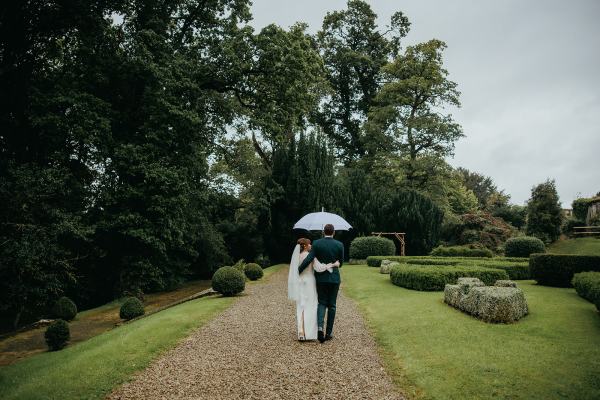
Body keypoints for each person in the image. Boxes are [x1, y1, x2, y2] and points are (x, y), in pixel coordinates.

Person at [297, 224, 344, 343]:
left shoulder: (317, 243)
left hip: (321, 279)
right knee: (332, 305)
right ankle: (328, 333)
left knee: (322, 303)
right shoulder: (339, 244)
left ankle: (319, 328)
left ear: (324, 232)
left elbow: (309, 259)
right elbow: (341, 263)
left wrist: (298, 271)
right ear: (334, 232)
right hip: (334, 278)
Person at [288, 238, 339, 341]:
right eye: (309, 244)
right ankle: (310, 333)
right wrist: (333, 264)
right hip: (310, 283)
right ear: (305, 246)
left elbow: (295, 272)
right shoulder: (310, 256)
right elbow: (319, 268)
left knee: (301, 306)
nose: (311, 245)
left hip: (300, 283)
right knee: (311, 306)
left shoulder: (296, 256)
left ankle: (301, 333)